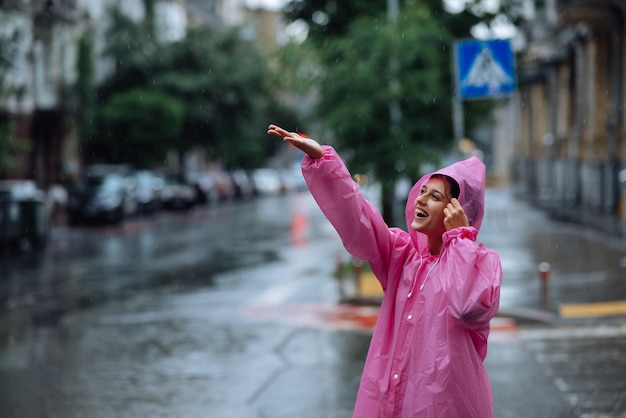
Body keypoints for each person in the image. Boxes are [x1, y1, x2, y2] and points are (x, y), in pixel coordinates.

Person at [267, 124, 502, 418]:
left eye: (435, 197)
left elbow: (468, 306)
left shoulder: (481, 262)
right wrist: (325, 163)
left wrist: (460, 239)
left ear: (457, 210)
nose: (420, 199)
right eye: (423, 191)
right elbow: (359, 219)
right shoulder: (404, 257)